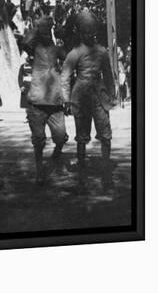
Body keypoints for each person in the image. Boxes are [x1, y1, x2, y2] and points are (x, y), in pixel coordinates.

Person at [60, 10, 116, 190]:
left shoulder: (102, 52)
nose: (89, 34)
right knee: (82, 138)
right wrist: (67, 100)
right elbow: (65, 77)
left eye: (92, 31)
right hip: (81, 97)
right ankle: (81, 179)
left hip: (99, 97)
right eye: (85, 31)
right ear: (80, 33)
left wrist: (112, 95)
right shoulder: (74, 53)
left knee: (106, 135)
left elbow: (108, 75)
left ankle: (106, 176)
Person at [21, 16, 68, 185]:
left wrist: (60, 32)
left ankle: (57, 152)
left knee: (61, 136)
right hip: (37, 102)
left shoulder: (56, 49)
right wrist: (37, 28)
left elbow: (69, 57)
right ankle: (40, 170)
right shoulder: (34, 49)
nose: (46, 33)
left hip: (55, 102)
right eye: (44, 30)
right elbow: (25, 42)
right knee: (39, 140)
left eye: (49, 30)